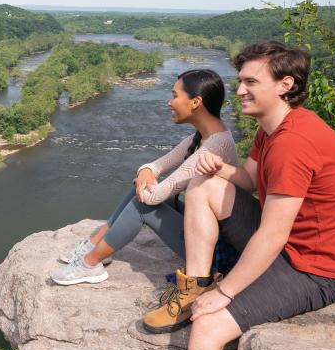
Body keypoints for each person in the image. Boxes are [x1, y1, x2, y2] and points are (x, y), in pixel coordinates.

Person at [94, 41, 335, 350]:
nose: (239, 90)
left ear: (286, 85)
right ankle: (194, 285)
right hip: (289, 245)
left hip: (313, 269)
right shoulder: (272, 127)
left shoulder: (296, 142)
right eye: (240, 81)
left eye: (250, 82)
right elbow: (247, 180)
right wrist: (217, 170)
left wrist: (228, 293)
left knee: (209, 325)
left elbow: (275, 233)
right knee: (203, 187)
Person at [50, 69, 237, 286]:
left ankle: (89, 263)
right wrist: (145, 172)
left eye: (175, 96)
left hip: (214, 252)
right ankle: (95, 242)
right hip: (205, 232)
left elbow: (154, 197)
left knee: (143, 204)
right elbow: (155, 166)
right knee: (140, 189)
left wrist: (145, 178)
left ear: (196, 102)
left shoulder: (215, 146)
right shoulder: (203, 137)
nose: (169, 102)